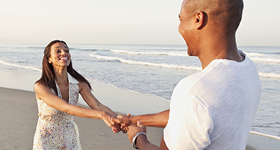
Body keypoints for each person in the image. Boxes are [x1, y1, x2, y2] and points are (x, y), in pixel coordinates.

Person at [112, 0, 261, 149]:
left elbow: (196, 106)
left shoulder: (194, 91)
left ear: (198, 19)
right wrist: (135, 120)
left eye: (181, 19)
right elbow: (196, 113)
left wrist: (138, 138)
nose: (179, 27)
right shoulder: (248, 68)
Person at [33, 40, 120, 149]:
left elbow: (97, 105)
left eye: (66, 51)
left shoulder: (79, 84)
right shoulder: (41, 86)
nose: (64, 53)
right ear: (49, 59)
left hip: (69, 139)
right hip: (46, 140)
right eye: (58, 51)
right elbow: (66, 108)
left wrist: (120, 120)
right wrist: (102, 115)